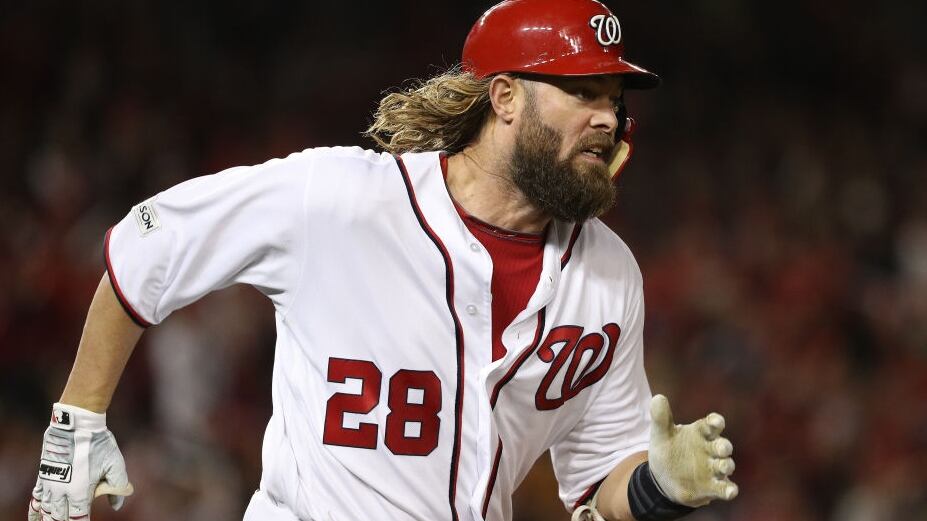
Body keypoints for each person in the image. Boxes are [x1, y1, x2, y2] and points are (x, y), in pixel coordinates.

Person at [28, 0, 738, 520]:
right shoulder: (343, 199)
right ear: (504, 98)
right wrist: (77, 422)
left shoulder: (609, 275)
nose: (607, 117)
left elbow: (597, 480)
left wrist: (658, 486)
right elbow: (151, 241)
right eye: (581, 91)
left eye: (613, 98)